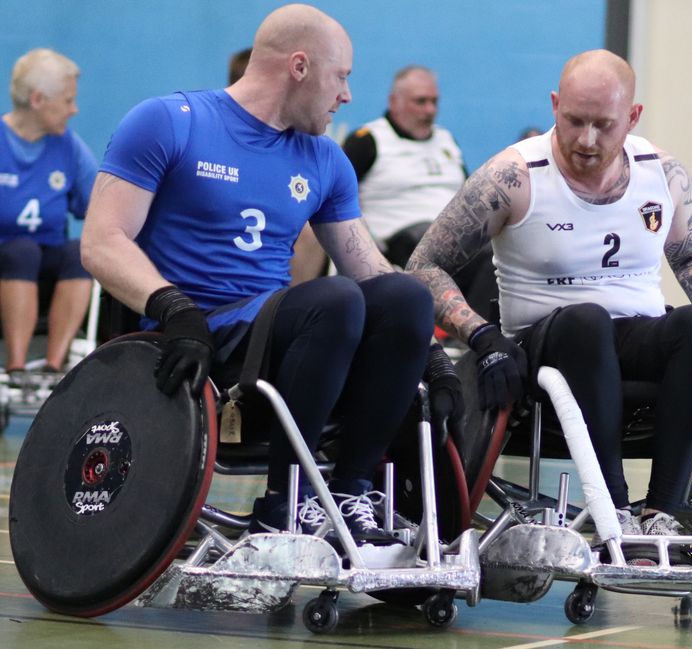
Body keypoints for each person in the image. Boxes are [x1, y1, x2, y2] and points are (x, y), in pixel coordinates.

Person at [82, 4, 460, 545]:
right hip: (194, 339)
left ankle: (349, 493)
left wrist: (435, 356)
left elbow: (371, 270)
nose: (347, 95)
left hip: (279, 337)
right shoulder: (170, 122)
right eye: (342, 76)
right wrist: (173, 307)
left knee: (402, 296)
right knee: (334, 300)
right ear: (300, 67)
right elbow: (100, 240)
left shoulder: (325, 160)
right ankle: (289, 502)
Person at [407, 49, 692, 561]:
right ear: (554, 106)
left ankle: (662, 512)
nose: (587, 140)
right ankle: (615, 509)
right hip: (546, 340)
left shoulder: (663, 174)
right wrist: (482, 336)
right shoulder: (513, 176)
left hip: (633, 333)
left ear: (632, 118)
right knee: (586, 321)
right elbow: (424, 265)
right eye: (574, 121)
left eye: (603, 125)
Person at [342, 65, 497, 321]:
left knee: (497, 253)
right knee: (435, 234)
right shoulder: (368, 140)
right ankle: (461, 334)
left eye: (434, 102)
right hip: (400, 242)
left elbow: (470, 196)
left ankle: (474, 336)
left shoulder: (446, 140)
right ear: (395, 101)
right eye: (420, 102)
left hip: (454, 238)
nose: (430, 110)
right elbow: (338, 197)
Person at [0, 48, 96, 377]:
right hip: (7, 258)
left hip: (47, 263)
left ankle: (55, 367)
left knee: (80, 251)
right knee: (22, 250)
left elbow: (96, 206)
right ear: (38, 99)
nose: (74, 109)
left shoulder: (68, 146)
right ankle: (16, 367)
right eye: (67, 101)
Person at [227, 45, 327, 285]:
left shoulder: (312, 148)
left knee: (311, 231)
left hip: (287, 284)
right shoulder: (210, 132)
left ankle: (288, 311)